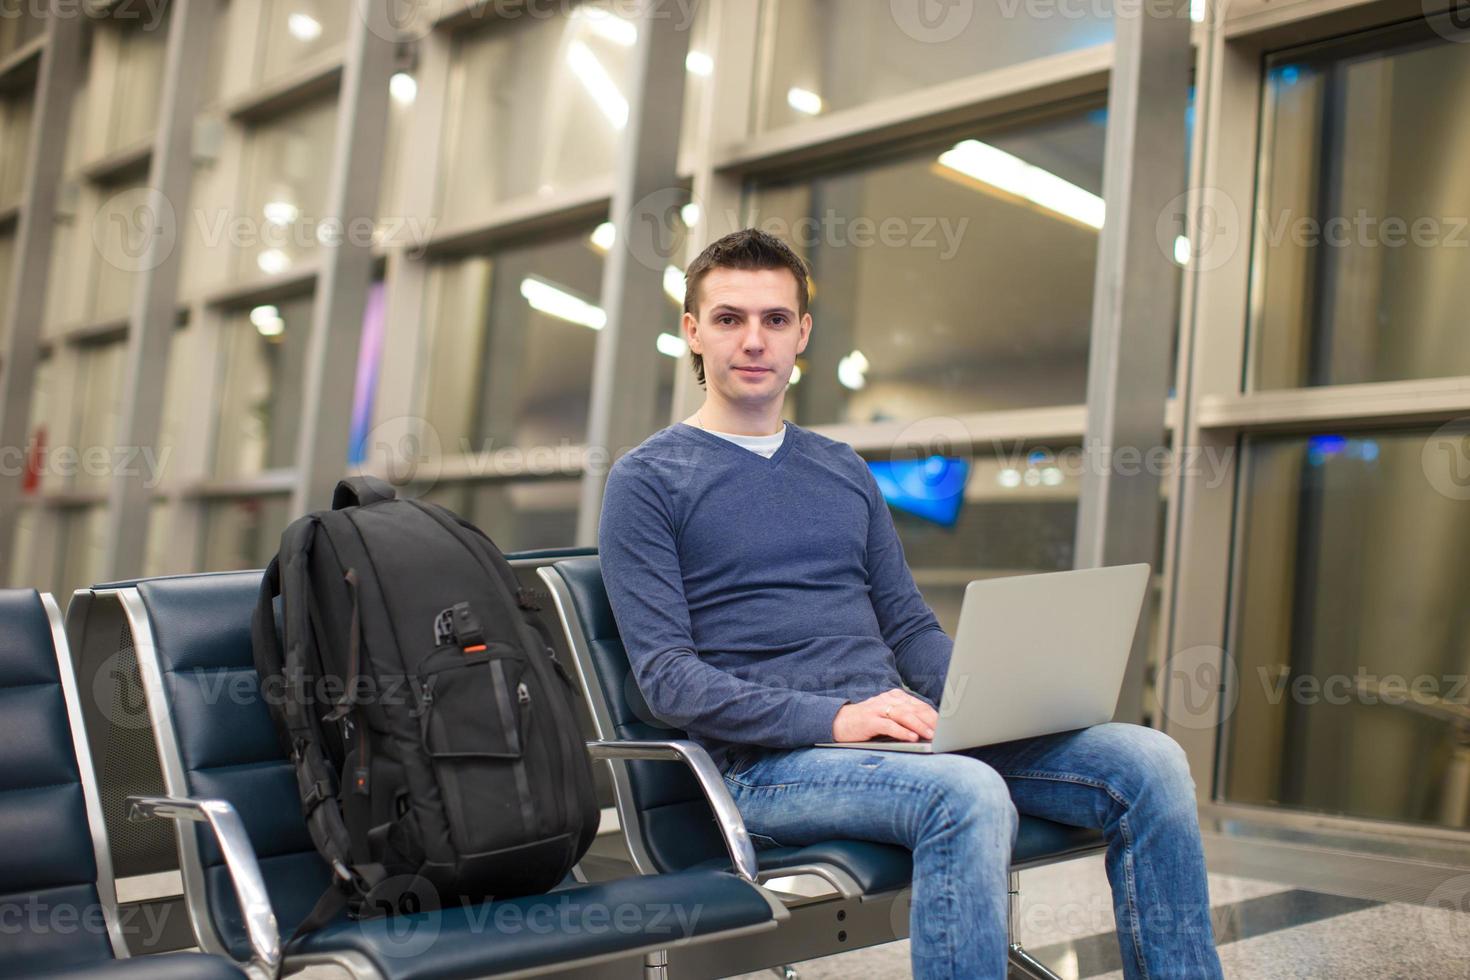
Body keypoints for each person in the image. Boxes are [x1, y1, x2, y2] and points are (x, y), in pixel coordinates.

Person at [597, 228, 1224, 980]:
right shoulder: (648, 480)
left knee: (1149, 759)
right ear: (693, 332)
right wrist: (835, 719)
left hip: (900, 740)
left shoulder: (841, 469)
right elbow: (668, 679)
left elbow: (908, 629)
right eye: (729, 319)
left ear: (803, 333)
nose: (753, 340)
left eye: (774, 319)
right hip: (769, 768)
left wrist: (987, 697)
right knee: (965, 792)